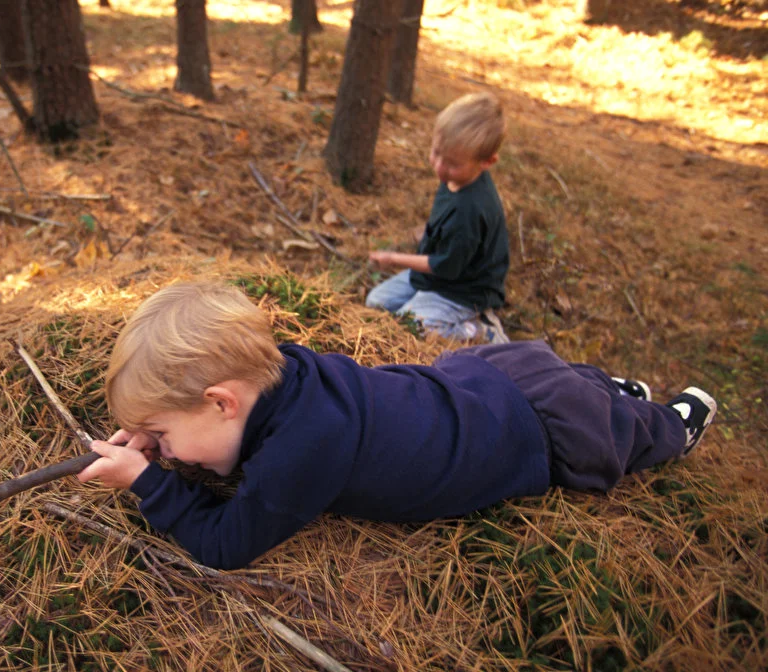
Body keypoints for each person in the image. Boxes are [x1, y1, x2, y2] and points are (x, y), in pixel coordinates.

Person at [77, 282, 717, 570]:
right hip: (479, 380)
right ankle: (613, 389)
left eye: (163, 436)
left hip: (524, 429)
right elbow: (227, 443)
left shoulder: (304, 449)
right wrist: (159, 441)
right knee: (573, 382)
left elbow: (224, 544)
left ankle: (667, 422)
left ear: (223, 403)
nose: (167, 453)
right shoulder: (286, 374)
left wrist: (146, 481)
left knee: (613, 426)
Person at [367, 91, 510, 343]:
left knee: (408, 329)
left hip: (461, 291)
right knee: (376, 302)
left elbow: (444, 266)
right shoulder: (454, 178)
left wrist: (393, 258)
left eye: (452, 163)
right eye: (436, 153)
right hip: (435, 277)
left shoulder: (471, 211)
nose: (439, 167)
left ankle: (478, 331)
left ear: (487, 162)